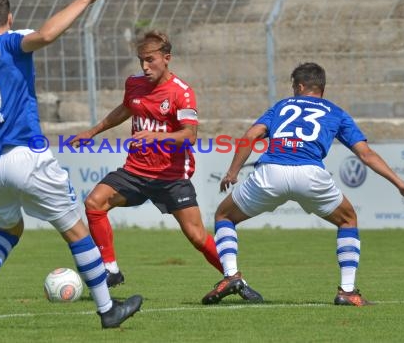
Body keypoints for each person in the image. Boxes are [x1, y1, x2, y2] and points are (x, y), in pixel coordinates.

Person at [0, 0, 142, 330]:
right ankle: (108, 309)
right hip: (25, 155)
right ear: (9, 19)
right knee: (76, 231)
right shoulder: (11, 43)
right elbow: (47, 34)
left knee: (10, 228)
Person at [201, 62, 404, 306]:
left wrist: (232, 172)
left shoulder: (282, 106)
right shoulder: (336, 112)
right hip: (311, 175)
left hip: (271, 173)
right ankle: (347, 291)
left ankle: (231, 275)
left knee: (224, 216)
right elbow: (366, 154)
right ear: (322, 88)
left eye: (294, 86)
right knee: (348, 220)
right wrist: (399, 183)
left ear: (300, 86)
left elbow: (250, 136)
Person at [69, 30, 262, 303]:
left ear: (166, 58)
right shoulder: (134, 83)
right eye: (141, 61)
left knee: (197, 236)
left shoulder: (181, 93)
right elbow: (126, 108)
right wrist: (93, 131)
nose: (145, 67)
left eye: (150, 60)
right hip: (135, 170)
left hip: (171, 176)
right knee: (94, 203)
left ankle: (235, 278)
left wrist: (155, 136)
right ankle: (110, 268)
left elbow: (189, 135)